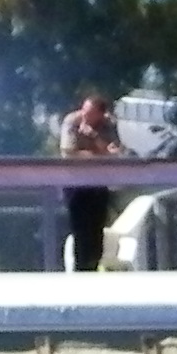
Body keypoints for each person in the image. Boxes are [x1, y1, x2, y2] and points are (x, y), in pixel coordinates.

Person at [57, 89, 123, 270]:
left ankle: (94, 268)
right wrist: (100, 154)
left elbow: (115, 154)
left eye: (90, 114)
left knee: (97, 231)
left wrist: (93, 136)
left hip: (99, 185)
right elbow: (69, 153)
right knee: (80, 231)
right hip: (75, 185)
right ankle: (81, 271)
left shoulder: (108, 125)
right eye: (84, 111)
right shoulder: (72, 121)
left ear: (101, 115)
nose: (85, 117)